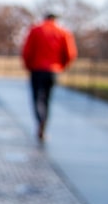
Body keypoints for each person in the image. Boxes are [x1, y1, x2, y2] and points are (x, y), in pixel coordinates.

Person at [21, 13, 77, 141]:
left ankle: (40, 120)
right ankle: (44, 125)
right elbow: (70, 53)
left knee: (37, 98)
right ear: (56, 19)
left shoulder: (35, 30)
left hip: (37, 70)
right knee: (47, 99)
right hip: (53, 70)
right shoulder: (63, 32)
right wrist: (61, 66)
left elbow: (27, 51)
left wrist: (29, 66)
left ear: (44, 18)